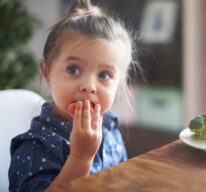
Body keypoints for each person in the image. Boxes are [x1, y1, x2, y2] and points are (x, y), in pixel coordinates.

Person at [8, 0, 138, 191]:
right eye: (74, 69)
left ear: (119, 83)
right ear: (47, 73)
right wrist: (81, 157)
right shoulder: (35, 146)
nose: (89, 86)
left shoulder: (109, 126)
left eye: (104, 75)